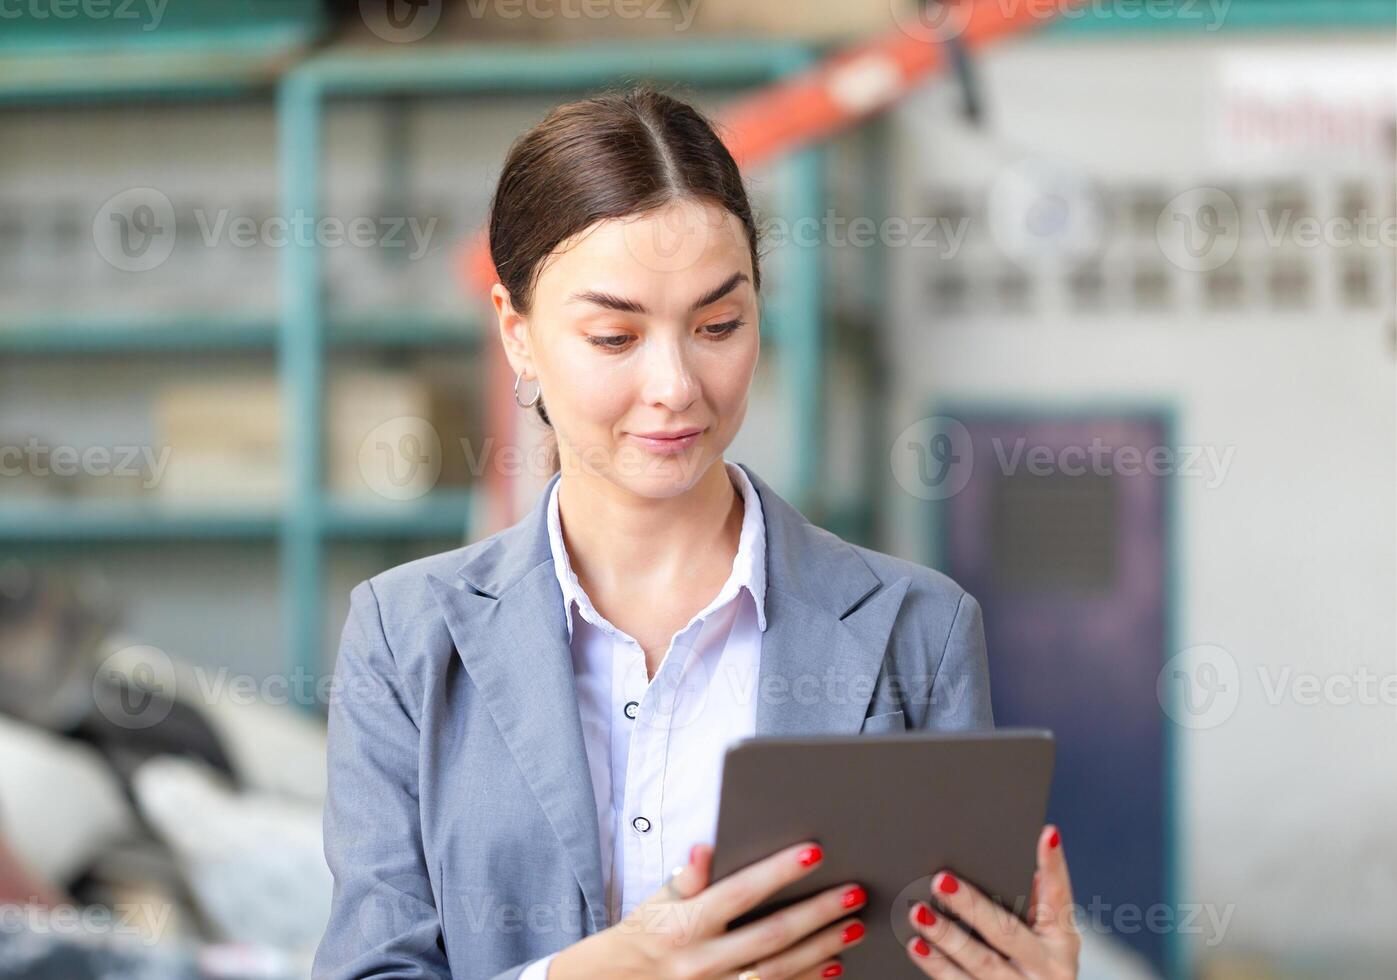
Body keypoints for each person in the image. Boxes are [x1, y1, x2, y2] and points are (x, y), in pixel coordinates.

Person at [312, 85, 1081, 980]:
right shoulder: (404, 638)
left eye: (719, 325)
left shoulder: (918, 627)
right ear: (517, 336)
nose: (676, 384)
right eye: (613, 337)